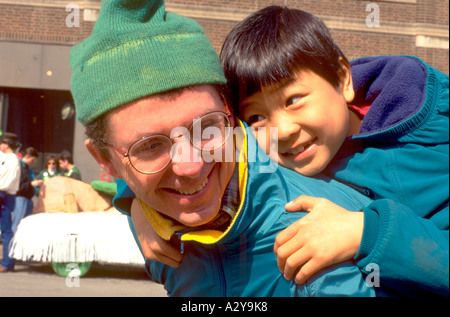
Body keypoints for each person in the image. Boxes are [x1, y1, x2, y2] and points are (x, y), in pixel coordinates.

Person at [70, 0, 394, 297]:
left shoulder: (308, 245)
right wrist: (135, 205)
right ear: (105, 159)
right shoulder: (156, 222)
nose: (191, 165)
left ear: (230, 112)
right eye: (151, 145)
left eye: (206, 128)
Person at [219, 6, 449, 296]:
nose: (283, 130)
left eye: (293, 99)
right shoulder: (271, 158)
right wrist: (146, 211)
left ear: (343, 79)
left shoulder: (430, 139)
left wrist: (366, 233)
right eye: (256, 118)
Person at [0, 132, 21, 272]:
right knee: (6, 230)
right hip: (4, 194)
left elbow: (6, 181)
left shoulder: (12, 160)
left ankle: (6, 263)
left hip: (5, 195)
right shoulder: (7, 158)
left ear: (6, 145)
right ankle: (8, 262)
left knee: (6, 231)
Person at [11, 147, 39, 233]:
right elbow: (17, 186)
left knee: (26, 226)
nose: (33, 163)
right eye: (33, 160)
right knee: (17, 224)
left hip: (28, 199)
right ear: (27, 156)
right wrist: (31, 184)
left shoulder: (28, 169)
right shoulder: (18, 166)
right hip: (20, 198)